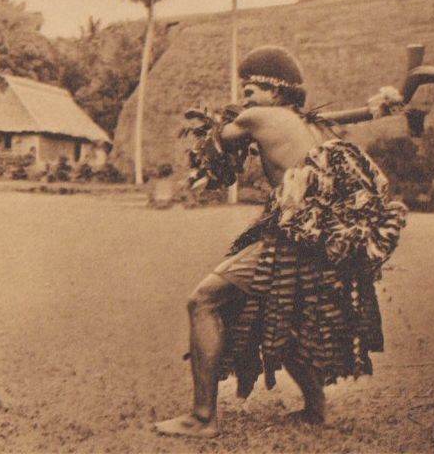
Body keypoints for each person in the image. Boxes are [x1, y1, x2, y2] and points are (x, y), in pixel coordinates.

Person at [154, 45, 407, 437]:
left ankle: (202, 418)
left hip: (292, 237)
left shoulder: (256, 117)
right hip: (321, 238)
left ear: (274, 93)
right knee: (281, 316)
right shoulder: (315, 125)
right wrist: (376, 108)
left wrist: (218, 125)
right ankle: (316, 411)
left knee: (203, 301)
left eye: (251, 89)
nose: (244, 98)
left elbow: (217, 148)